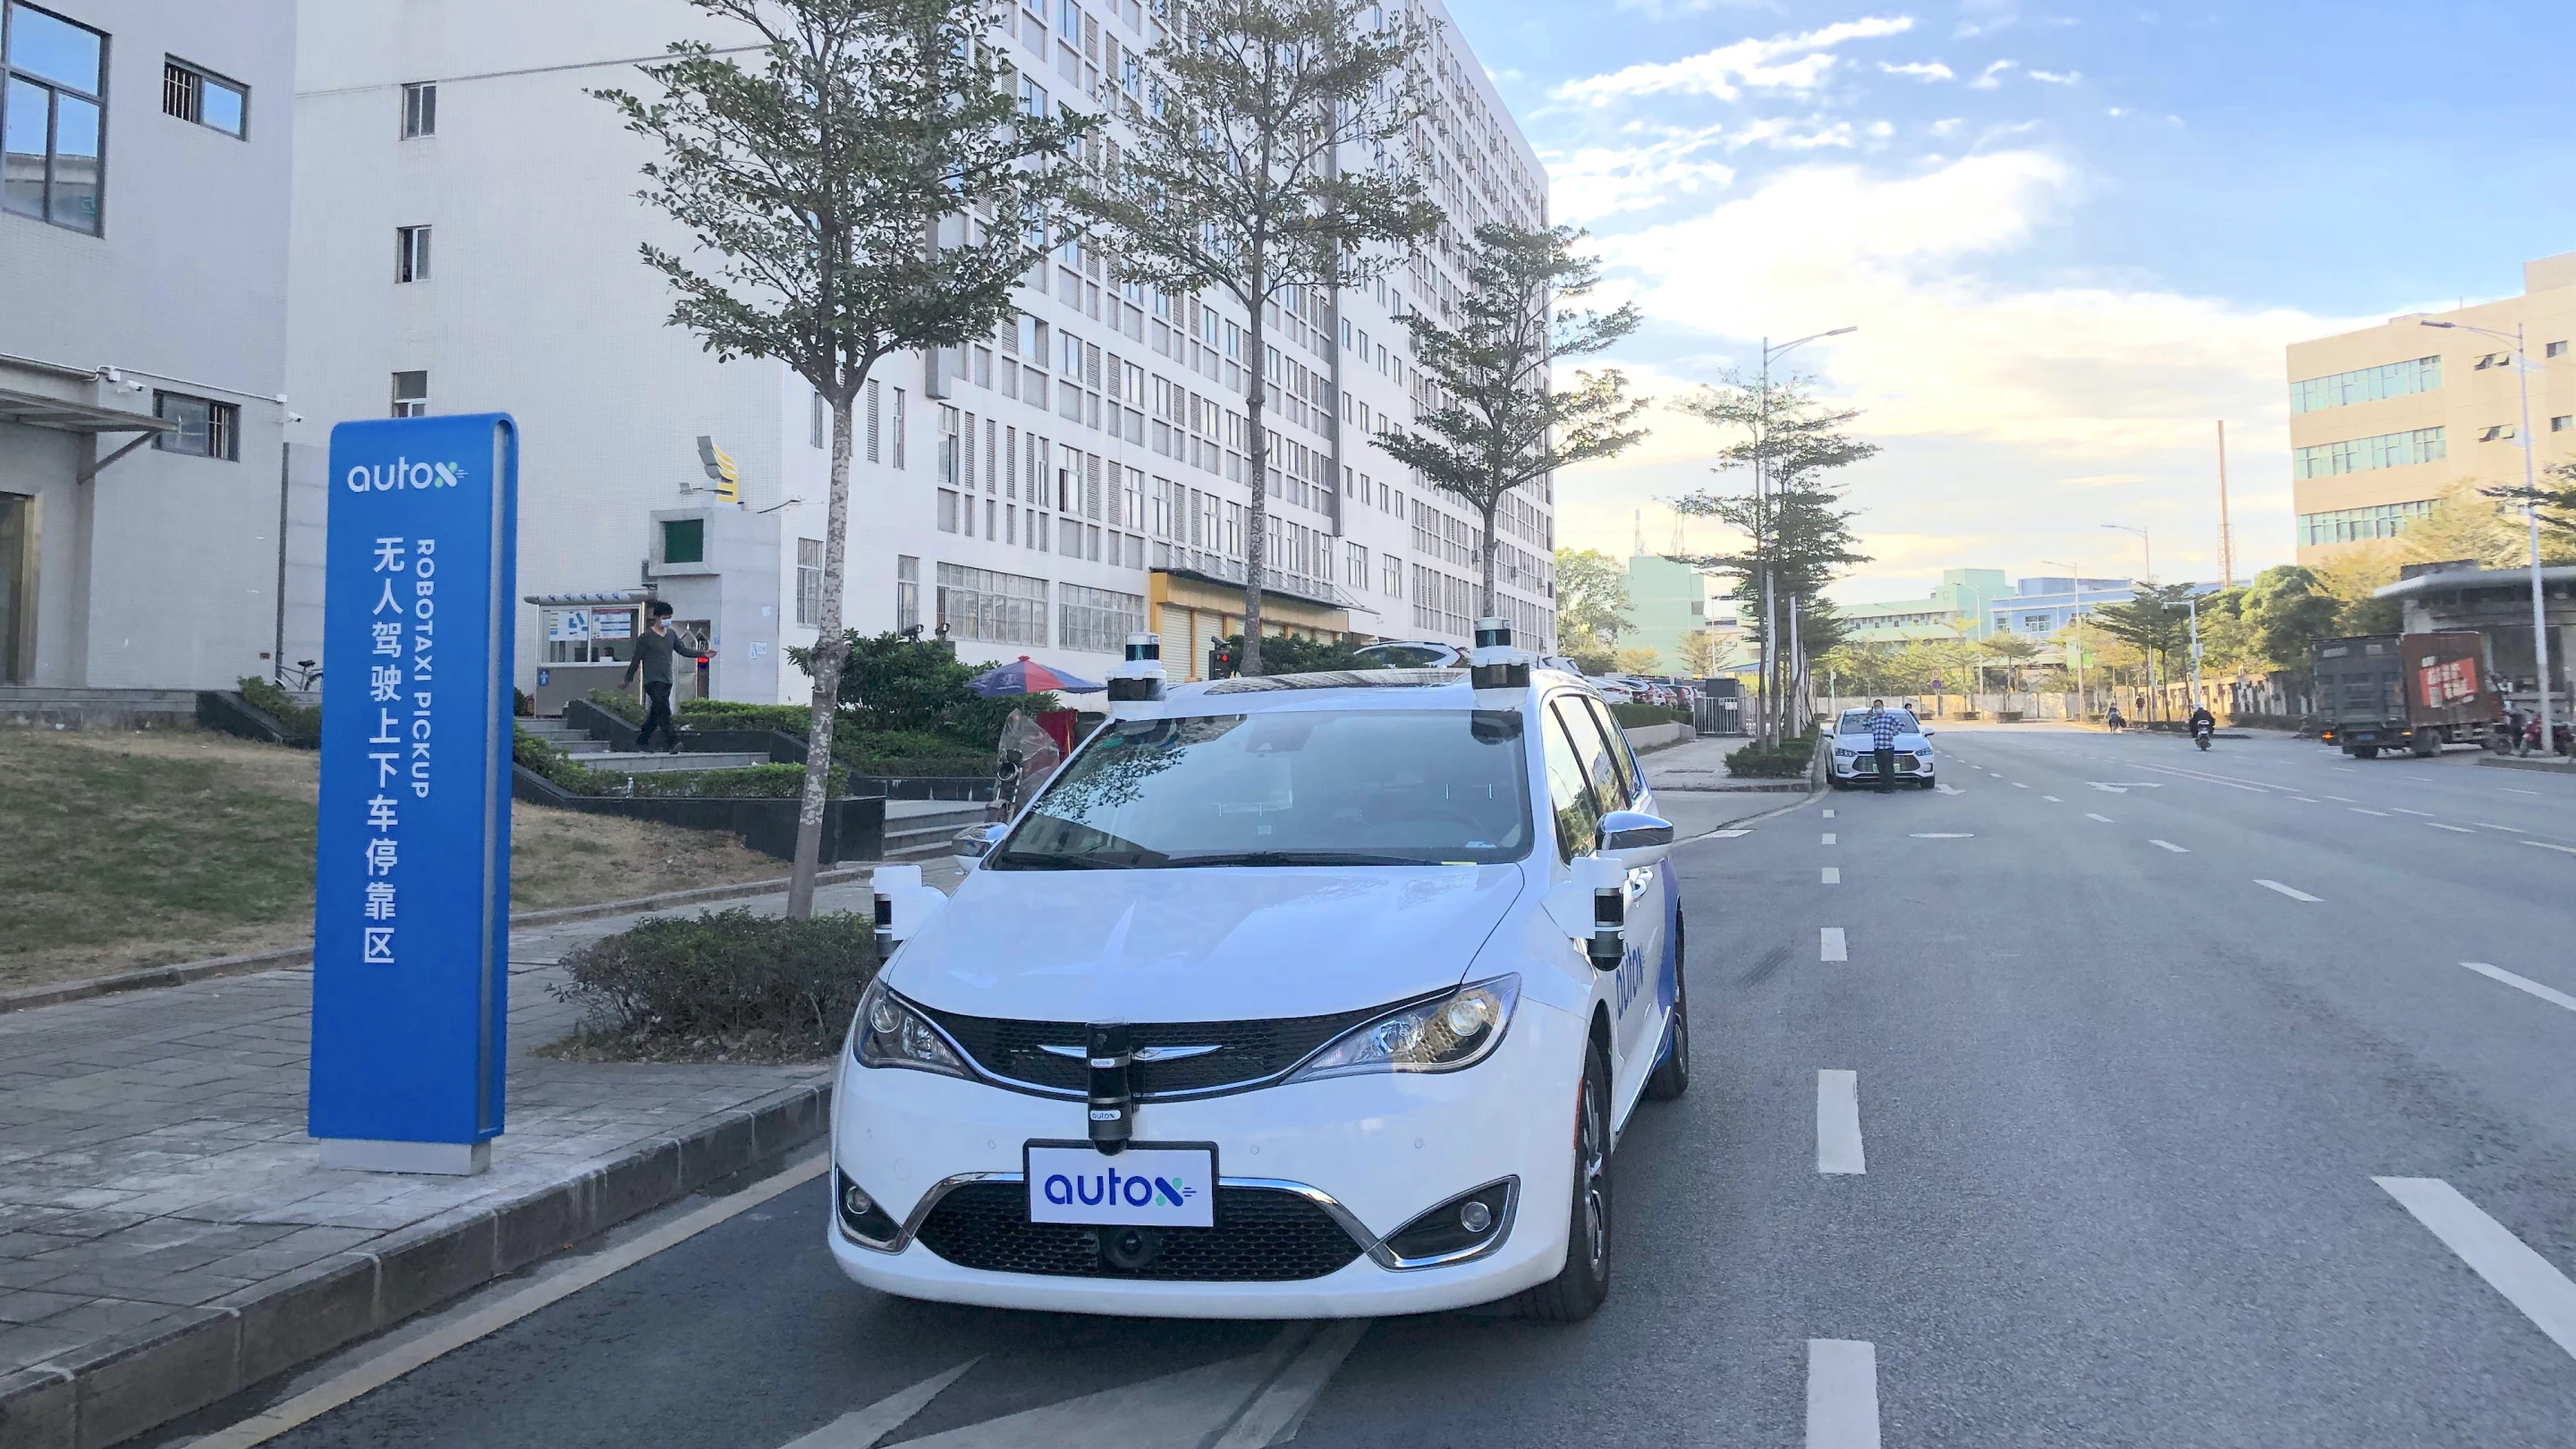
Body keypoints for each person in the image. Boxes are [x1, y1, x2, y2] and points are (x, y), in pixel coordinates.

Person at [621, 601, 699, 753]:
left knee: (656, 713)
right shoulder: (646, 637)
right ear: (656, 617)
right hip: (652, 680)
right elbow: (636, 659)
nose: (667, 620)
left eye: (669, 617)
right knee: (664, 710)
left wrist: (703, 654)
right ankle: (673, 741)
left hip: (666, 680)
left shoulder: (671, 635)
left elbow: (683, 650)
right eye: (664, 617)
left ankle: (641, 741)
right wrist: (627, 679)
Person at [1864, 698, 1900, 794]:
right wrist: (1868, 716)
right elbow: (1865, 725)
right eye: (1875, 707)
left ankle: (1890, 787)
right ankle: (1883, 786)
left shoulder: (1889, 717)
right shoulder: (1874, 719)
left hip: (1888, 747)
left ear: (1883, 706)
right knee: (1881, 768)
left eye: (1878, 706)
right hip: (1878, 747)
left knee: (1889, 768)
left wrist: (1894, 733)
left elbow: (1901, 724)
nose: (1877, 708)